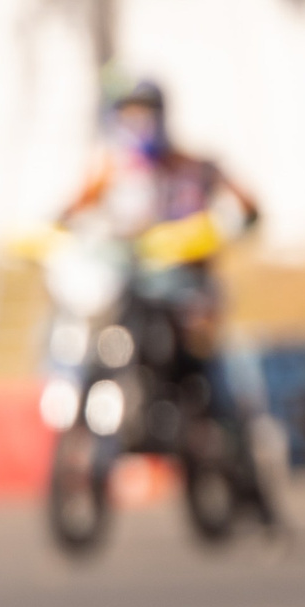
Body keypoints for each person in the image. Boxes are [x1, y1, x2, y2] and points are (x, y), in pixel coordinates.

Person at [58, 76, 260, 383]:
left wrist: (224, 226)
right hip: (130, 284)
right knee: (87, 336)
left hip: (186, 285)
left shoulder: (193, 165)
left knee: (210, 350)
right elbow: (71, 211)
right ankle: (76, 407)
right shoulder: (111, 171)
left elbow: (247, 206)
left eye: (145, 114)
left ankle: (231, 412)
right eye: (129, 116)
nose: (138, 124)